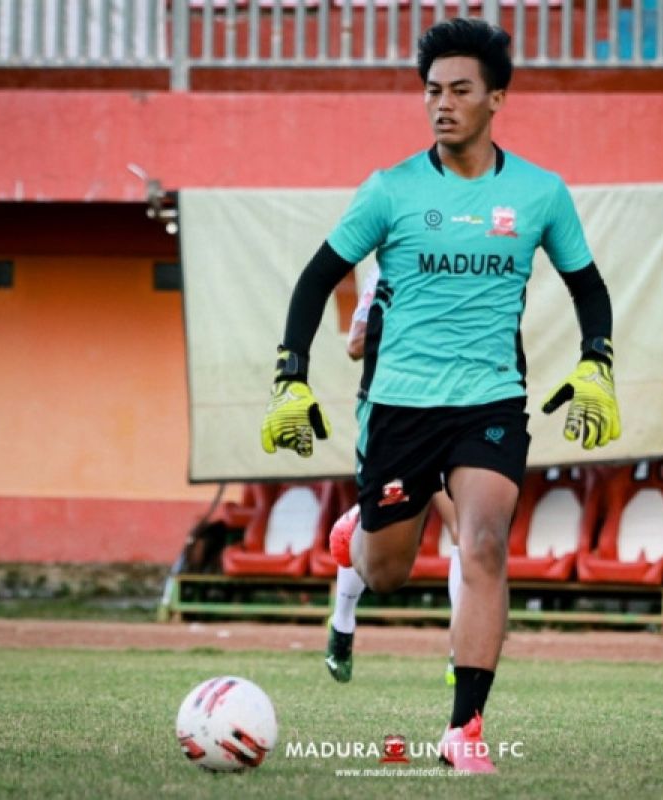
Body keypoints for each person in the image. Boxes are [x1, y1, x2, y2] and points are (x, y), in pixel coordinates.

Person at [259, 17, 621, 774]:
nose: (442, 104)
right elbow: (316, 278)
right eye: (432, 91)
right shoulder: (390, 190)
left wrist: (598, 362)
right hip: (398, 407)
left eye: (460, 90)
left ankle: (464, 730)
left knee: (484, 540)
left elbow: (587, 285)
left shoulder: (539, 194)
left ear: (497, 98)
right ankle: (352, 540)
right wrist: (290, 373)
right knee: (388, 570)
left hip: (490, 402)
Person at [326, 266, 463, 688]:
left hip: (454, 413)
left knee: (469, 532)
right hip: (397, 420)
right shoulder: (388, 273)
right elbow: (354, 345)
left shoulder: (469, 272)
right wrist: (413, 333)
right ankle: (342, 622)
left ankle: (462, 653)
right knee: (382, 565)